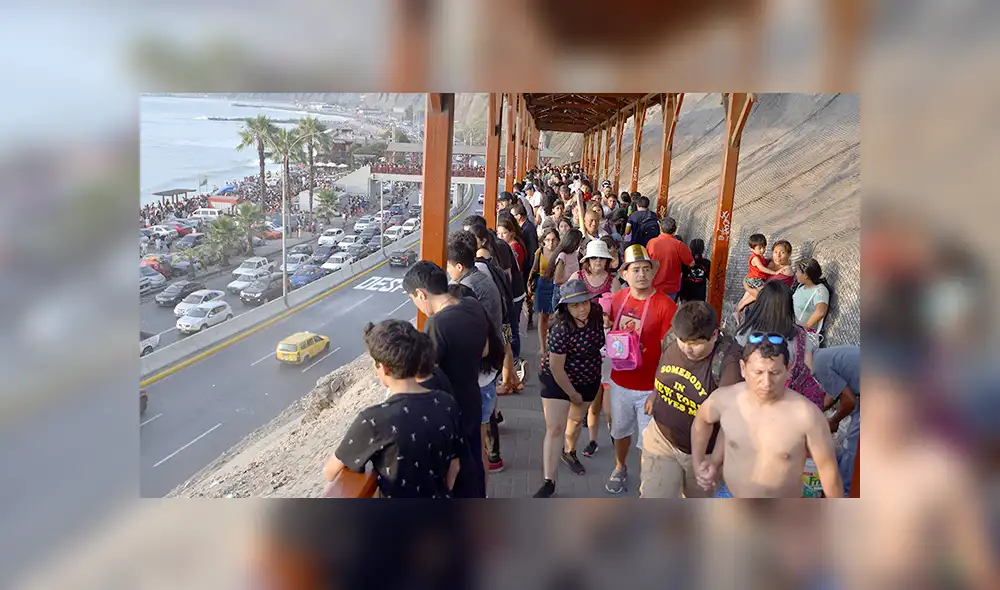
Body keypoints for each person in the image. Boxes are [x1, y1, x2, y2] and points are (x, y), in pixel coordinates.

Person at [323, 320, 465, 498]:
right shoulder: (447, 403)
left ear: (384, 368)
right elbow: (455, 466)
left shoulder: (373, 420)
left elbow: (330, 472)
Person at [691, 334, 844, 498]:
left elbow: (829, 473)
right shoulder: (726, 400)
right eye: (758, 372)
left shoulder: (806, 416)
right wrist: (699, 462)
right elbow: (702, 420)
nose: (766, 382)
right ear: (743, 368)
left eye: (775, 372)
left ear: (788, 369)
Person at [403, 261, 494, 497]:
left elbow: (424, 376)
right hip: (473, 397)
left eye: (413, 299)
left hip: (450, 411)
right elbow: (485, 350)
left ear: (421, 294)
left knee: (457, 475)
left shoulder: (436, 324)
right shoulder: (472, 305)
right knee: (474, 459)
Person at [639, 301, 743, 498]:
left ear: (713, 335)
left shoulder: (729, 363)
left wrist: (715, 461)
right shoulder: (673, 337)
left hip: (705, 454)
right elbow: (664, 367)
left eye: (695, 343)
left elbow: (729, 424)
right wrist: (655, 393)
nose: (687, 348)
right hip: (661, 440)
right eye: (683, 341)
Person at [604, 245, 677, 494]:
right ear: (625, 274)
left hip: (649, 387)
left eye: (646, 269)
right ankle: (619, 466)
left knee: (649, 441)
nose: (642, 274)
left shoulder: (666, 305)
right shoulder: (616, 300)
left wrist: (659, 388)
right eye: (636, 270)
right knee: (620, 430)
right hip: (619, 382)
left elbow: (672, 351)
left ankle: (646, 483)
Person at [533, 279, 607, 497]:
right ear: (566, 307)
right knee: (555, 428)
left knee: (574, 422)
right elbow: (556, 368)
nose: (581, 308)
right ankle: (549, 481)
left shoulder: (596, 313)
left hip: (588, 378)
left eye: (584, 302)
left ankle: (570, 452)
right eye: (575, 305)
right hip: (557, 380)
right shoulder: (561, 328)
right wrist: (572, 393)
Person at [573, 239, 620, 457]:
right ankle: (592, 441)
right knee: (592, 402)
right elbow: (567, 308)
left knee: (610, 407)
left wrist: (611, 321)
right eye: (594, 258)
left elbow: (621, 311)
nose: (598, 262)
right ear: (587, 261)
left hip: (609, 345)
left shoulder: (614, 281)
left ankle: (615, 434)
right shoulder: (577, 279)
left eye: (602, 258)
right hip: (585, 343)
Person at [811, 345, 859, 496]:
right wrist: (817, 412)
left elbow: (849, 401)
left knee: (852, 445)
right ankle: (833, 479)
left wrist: (834, 420)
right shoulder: (823, 356)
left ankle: (842, 494)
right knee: (847, 451)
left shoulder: (818, 366)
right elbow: (837, 391)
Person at [735, 234, 788, 317]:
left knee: (748, 295)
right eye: (759, 248)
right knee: (762, 292)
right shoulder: (755, 258)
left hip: (755, 279)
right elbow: (761, 268)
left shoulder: (760, 256)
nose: (762, 250)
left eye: (764, 247)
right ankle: (738, 309)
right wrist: (774, 272)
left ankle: (738, 310)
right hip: (755, 279)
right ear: (751, 249)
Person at [646, 216, 694, 301]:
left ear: (660, 228)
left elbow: (647, 261)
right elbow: (691, 263)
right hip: (671, 287)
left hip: (653, 285)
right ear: (675, 230)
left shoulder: (651, 242)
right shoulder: (679, 245)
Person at [530, 228, 560, 356]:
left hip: (556, 285)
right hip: (542, 285)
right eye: (547, 240)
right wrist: (529, 283)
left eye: (553, 240)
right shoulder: (539, 252)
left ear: (558, 241)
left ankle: (554, 344)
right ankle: (543, 347)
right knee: (543, 316)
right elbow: (534, 268)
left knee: (557, 317)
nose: (551, 243)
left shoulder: (561, 254)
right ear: (543, 242)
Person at [543, 229, 583, 317]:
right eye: (580, 241)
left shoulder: (575, 254)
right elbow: (557, 280)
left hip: (572, 290)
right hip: (562, 292)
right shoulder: (563, 256)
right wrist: (573, 278)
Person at [511, 203, 538, 328]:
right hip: (527, 267)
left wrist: (532, 270)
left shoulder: (528, 229)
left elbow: (533, 251)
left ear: (519, 216)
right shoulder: (526, 227)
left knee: (528, 294)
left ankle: (529, 319)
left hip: (528, 268)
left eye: (513, 216)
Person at [793, 258, 831, 334]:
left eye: (798, 272)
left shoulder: (820, 291)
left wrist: (803, 330)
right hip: (794, 327)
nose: (796, 274)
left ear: (806, 275)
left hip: (806, 334)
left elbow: (820, 312)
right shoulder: (800, 286)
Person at [678, 238, 710, 303]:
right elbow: (711, 278)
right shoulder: (706, 263)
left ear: (690, 249)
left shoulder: (684, 261)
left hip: (685, 294)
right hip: (700, 296)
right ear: (703, 250)